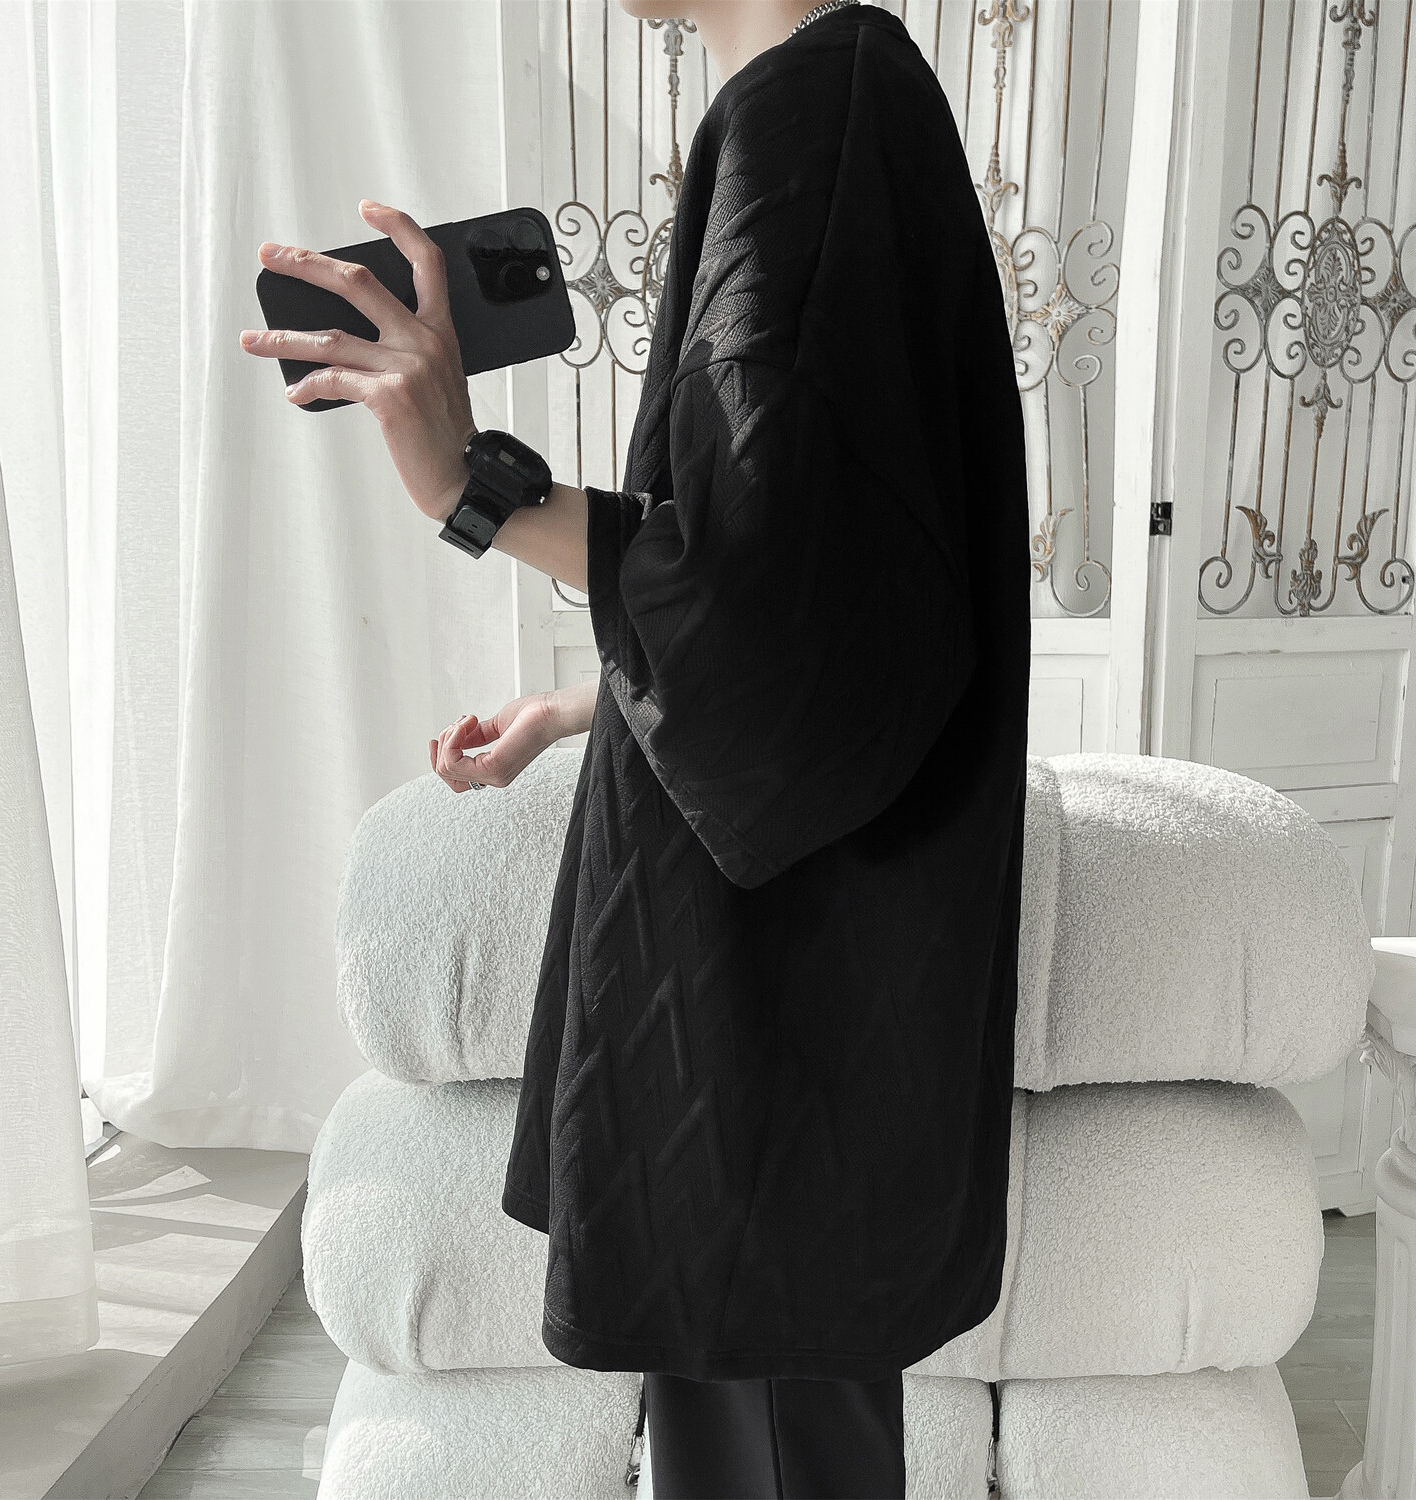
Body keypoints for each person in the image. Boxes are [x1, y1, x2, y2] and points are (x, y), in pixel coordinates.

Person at [240, 2, 1029, 1494]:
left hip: (774, 985)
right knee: (775, 1415)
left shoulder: (813, 123)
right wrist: (584, 708)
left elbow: (772, 602)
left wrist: (469, 487)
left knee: (765, 1420)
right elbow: (833, 593)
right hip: (791, 976)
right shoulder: (837, 103)